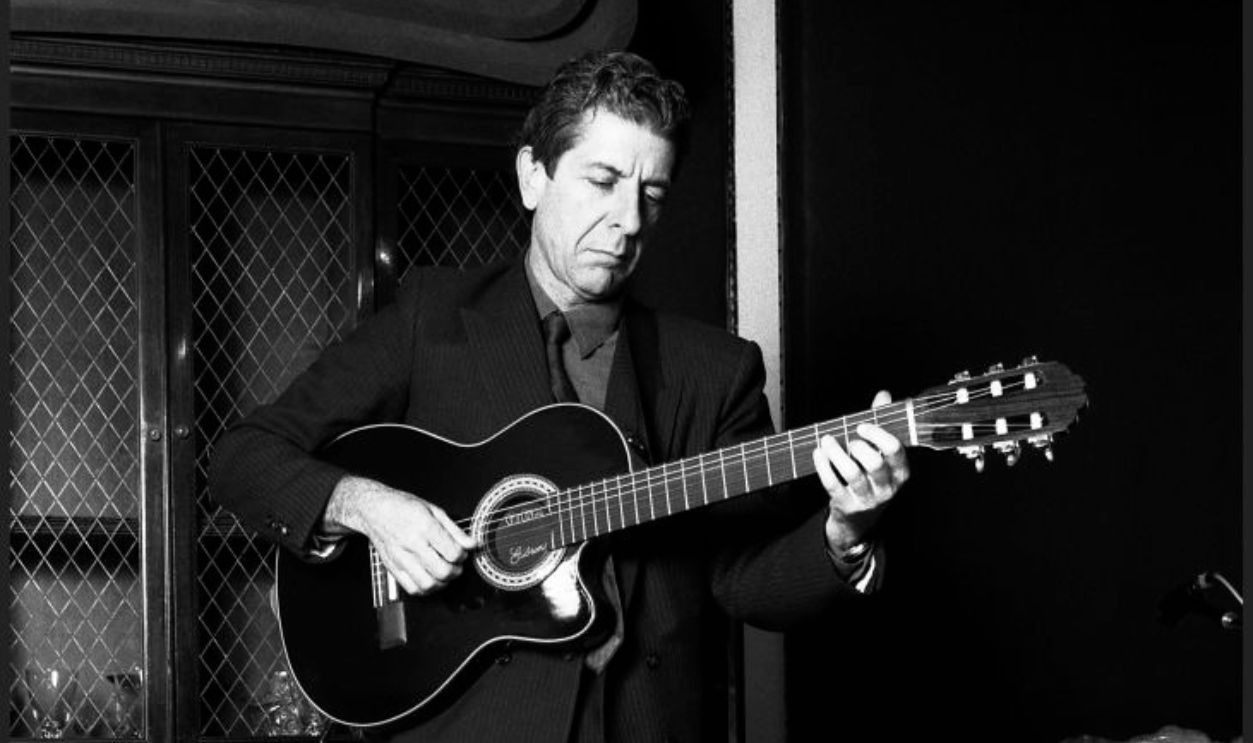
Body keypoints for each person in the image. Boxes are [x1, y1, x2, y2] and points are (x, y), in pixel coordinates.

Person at [210, 50, 909, 743]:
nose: (629, 220)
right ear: (532, 176)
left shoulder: (713, 371)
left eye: (652, 195)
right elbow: (241, 456)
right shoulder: (432, 318)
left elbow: (744, 581)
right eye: (602, 180)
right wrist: (366, 506)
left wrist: (843, 534)